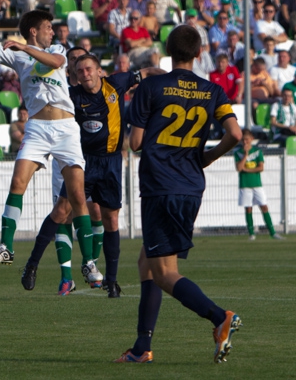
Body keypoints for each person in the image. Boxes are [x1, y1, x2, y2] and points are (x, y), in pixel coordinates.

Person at [114, 25, 242, 364]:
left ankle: (220, 317)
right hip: (191, 184)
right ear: (199, 53)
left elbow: (135, 143)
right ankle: (141, 347)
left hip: (160, 185)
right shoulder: (213, 90)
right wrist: (208, 157)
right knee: (147, 262)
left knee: (164, 272)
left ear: (168, 52)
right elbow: (235, 133)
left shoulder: (152, 86)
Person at [0, 0, 101, 283]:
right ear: (34, 30)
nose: (52, 32)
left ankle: (89, 263)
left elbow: (56, 62)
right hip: (37, 128)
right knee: (18, 182)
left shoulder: (56, 49)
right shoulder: (18, 55)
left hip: (66, 128)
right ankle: (6, 248)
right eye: (47, 27)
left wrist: (25, 47)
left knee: (77, 196)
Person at [22, 54, 162, 297]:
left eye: (88, 69)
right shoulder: (71, 96)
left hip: (111, 162)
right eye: (79, 71)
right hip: (82, 161)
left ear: (99, 71)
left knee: (111, 220)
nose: (84, 74)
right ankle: (32, 265)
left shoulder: (117, 83)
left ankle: (112, 281)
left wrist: (173, 80)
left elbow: (148, 72)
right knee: (61, 211)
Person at [235, 129, 283, 240]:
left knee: (264, 206)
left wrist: (247, 170)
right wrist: (245, 155)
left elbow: (260, 168)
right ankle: (251, 233)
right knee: (248, 208)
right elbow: (239, 168)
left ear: (252, 139)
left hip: (257, 184)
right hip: (245, 184)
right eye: (243, 140)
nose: (245, 142)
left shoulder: (257, 152)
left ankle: (272, 232)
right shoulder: (238, 153)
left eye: (247, 140)